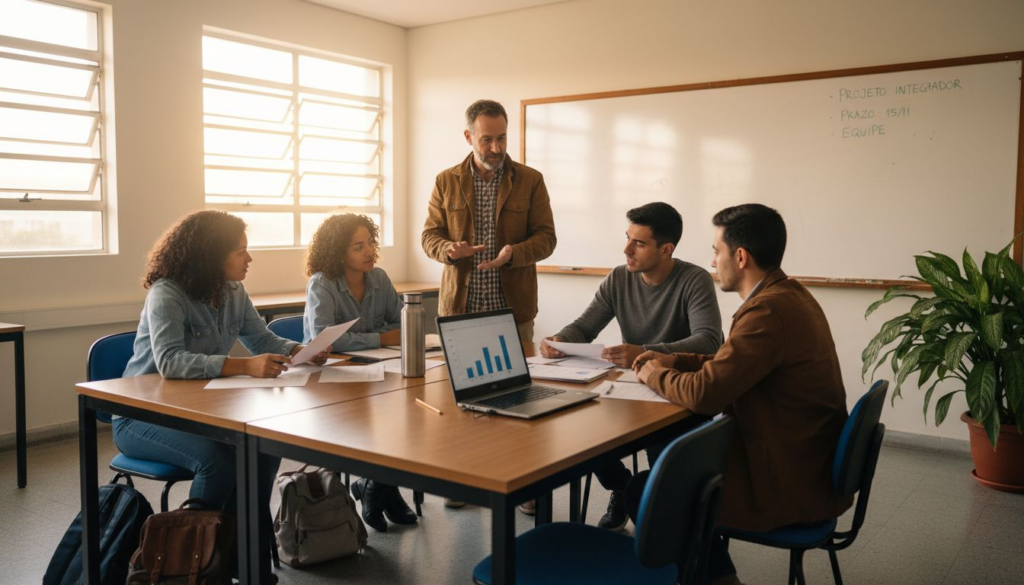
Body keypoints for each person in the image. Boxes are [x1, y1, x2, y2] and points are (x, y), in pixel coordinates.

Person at [631, 204, 852, 585]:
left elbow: (705, 394)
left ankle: (718, 579)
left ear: (740, 256)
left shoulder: (767, 312)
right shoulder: (788, 294)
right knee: (674, 473)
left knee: (650, 490)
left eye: (716, 251)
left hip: (788, 479)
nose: (713, 262)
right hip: (804, 460)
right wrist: (673, 359)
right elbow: (729, 363)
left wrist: (653, 374)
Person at [116, 210, 327, 580]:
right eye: (240, 251)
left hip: (199, 411)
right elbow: (170, 362)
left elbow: (261, 338)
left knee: (263, 452)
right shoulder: (167, 292)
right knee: (220, 463)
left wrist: (302, 350)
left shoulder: (233, 290)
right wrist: (244, 366)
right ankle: (190, 564)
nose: (249, 259)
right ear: (212, 256)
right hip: (141, 417)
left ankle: (243, 560)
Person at [540, 201, 723, 531]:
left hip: (678, 395)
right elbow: (584, 327)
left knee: (660, 458)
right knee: (583, 429)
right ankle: (623, 488)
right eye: (627, 238)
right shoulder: (619, 278)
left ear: (665, 249)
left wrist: (645, 351)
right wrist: (558, 339)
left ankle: (658, 518)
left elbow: (709, 341)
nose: (626, 249)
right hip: (631, 389)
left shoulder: (694, 280)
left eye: (638, 243)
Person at [422, 99, 556, 512]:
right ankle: (465, 480)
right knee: (460, 401)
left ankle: (524, 485)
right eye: (487, 139)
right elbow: (429, 236)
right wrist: (449, 249)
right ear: (469, 137)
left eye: (501, 138)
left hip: (511, 309)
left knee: (518, 398)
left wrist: (513, 253)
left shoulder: (530, 180)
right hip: (460, 309)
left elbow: (547, 238)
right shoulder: (446, 180)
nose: (496, 147)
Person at [303, 213, 417, 532]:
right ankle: (380, 488)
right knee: (381, 422)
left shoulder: (379, 277)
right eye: (358, 246)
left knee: (408, 416)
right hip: (328, 380)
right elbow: (326, 338)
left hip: (378, 371)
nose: (369, 252)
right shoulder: (322, 283)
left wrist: (372, 338)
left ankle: (377, 486)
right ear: (339, 252)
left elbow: (401, 323)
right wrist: (380, 337)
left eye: (370, 243)